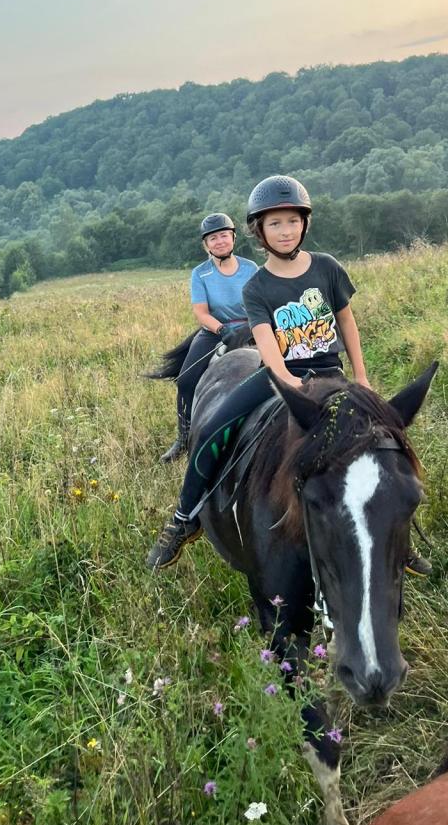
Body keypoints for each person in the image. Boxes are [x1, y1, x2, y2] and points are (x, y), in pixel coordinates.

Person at [147, 175, 432, 576]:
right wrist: (287, 381)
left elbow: (346, 323)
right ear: (259, 231)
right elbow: (264, 341)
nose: (285, 230)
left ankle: (399, 541)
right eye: (275, 223)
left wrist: (362, 379)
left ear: (305, 223)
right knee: (212, 430)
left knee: (386, 441)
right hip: (278, 380)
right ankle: (182, 519)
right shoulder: (257, 286)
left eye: (292, 221)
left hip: (332, 375)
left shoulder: (328, 268)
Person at [160, 213, 257, 462]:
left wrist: (249, 329)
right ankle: (183, 438)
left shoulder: (250, 268)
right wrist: (223, 331)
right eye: (213, 238)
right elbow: (201, 312)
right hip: (215, 330)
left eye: (224, 235)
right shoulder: (199, 274)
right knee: (186, 379)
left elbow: (259, 303)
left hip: (250, 327)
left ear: (233, 237)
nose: (220, 241)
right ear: (206, 245)